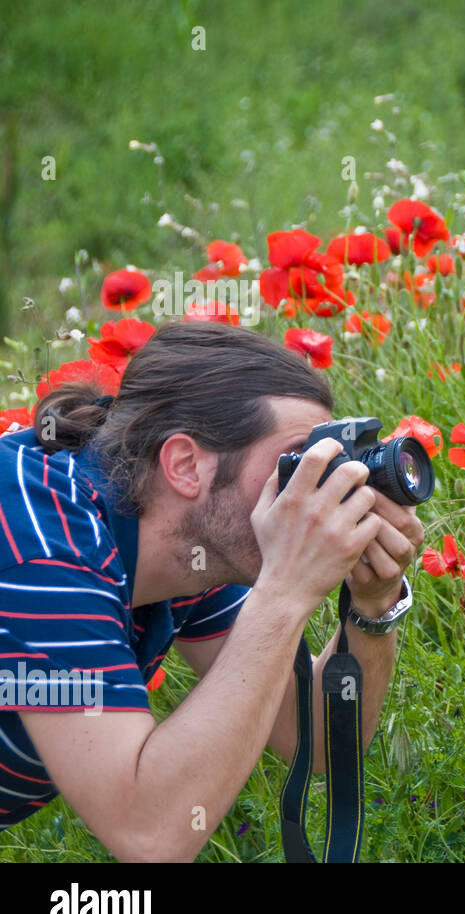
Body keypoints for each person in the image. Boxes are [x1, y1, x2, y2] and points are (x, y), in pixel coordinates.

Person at [0, 322, 425, 861]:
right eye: (294, 463)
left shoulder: (184, 544)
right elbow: (149, 834)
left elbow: (313, 737)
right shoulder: (38, 543)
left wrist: (373, 604)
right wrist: (285, 591)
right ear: (184, 465)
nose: (308, 495)